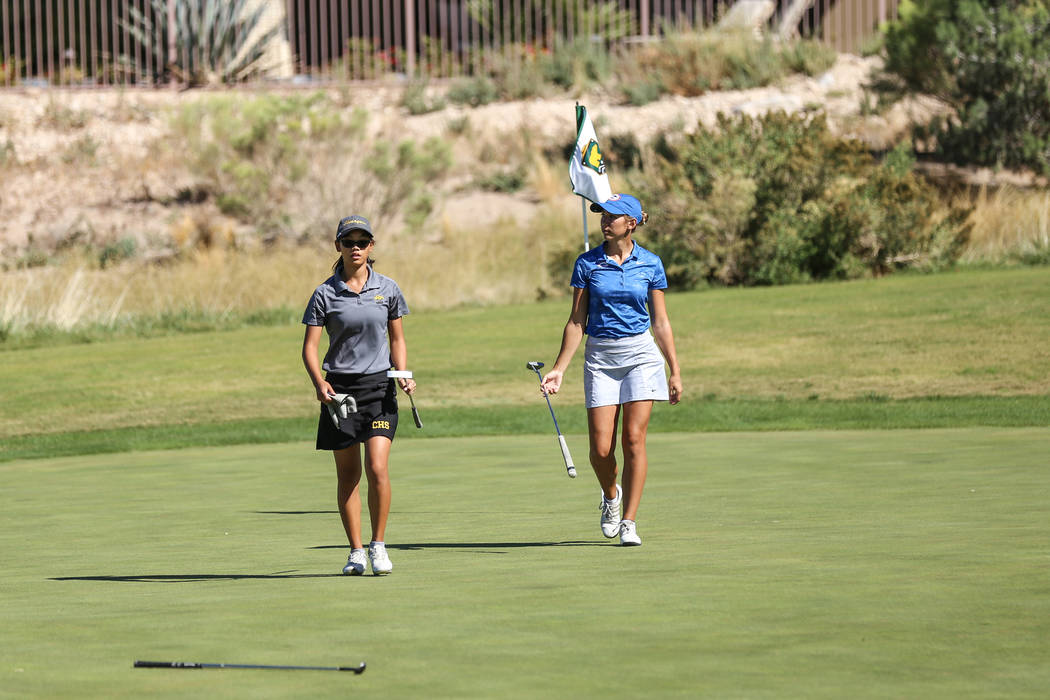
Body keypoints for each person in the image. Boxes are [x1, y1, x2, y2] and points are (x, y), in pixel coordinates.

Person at [541, 194, 682, 547]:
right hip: (600, 357)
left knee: (634, 440)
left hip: (640, 355)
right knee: (600, 451)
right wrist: (559, 368)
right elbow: (576, 321)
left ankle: (631, 522)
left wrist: (675, 370)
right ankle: (611, 496)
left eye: (613, 216)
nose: (605, 221)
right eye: (603, 215)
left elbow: (660, 323)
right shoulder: (587, 264)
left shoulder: (651, 263)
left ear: (631, 223)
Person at [301, 214, 416, 575]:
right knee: (349, 475)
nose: (355, 248)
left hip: (379, 388)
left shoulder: (388, 289)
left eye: (362, 242)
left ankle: (378, 546)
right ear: (338, 246)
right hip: (339, 392)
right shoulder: (324, 293)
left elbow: (397, 338)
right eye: (348, 242)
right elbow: (309, 347)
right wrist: (320, 383)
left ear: (371, 247)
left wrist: (402, 373)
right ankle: (355, 551)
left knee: (377, 467)